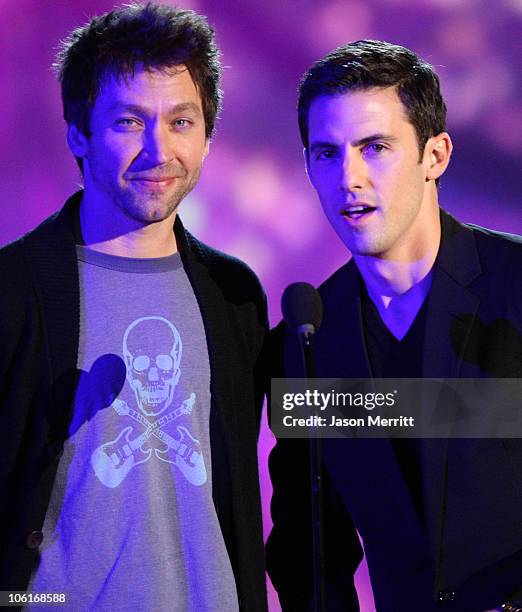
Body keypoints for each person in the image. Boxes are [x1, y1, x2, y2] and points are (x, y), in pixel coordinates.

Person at [0, 4, 268, 610]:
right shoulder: (13, 291)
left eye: (181, 121)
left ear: (206, 135)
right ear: (78, 131)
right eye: (128, 121)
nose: (159, 149)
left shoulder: (235, 296)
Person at [266, 40, 522, 612]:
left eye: (374, 147)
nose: (348, 178)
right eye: (326, 154)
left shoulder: (515, 284)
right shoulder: (308, 339)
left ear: (436, 155)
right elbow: (308, 550)